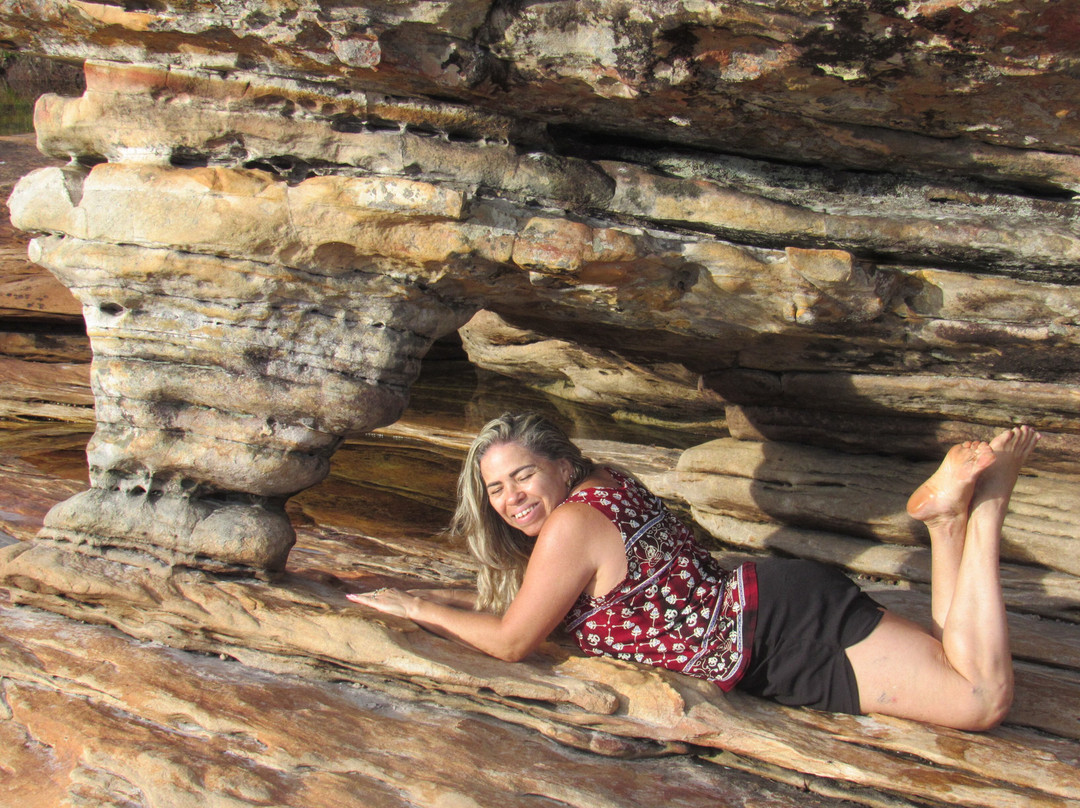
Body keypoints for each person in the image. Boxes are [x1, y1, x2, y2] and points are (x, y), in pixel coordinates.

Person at [349, 412, 1039, 730]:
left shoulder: (568, 528)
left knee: (979, 698)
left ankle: (987, 510)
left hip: (775, 640)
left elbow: (510, 642)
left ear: (560, 465)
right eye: (496, 489)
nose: (511, 499)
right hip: (775, 605)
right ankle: (947, 521)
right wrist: (451, 595)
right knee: (960, 655)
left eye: (522, 475)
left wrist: (419, 609)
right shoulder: (603, 483)